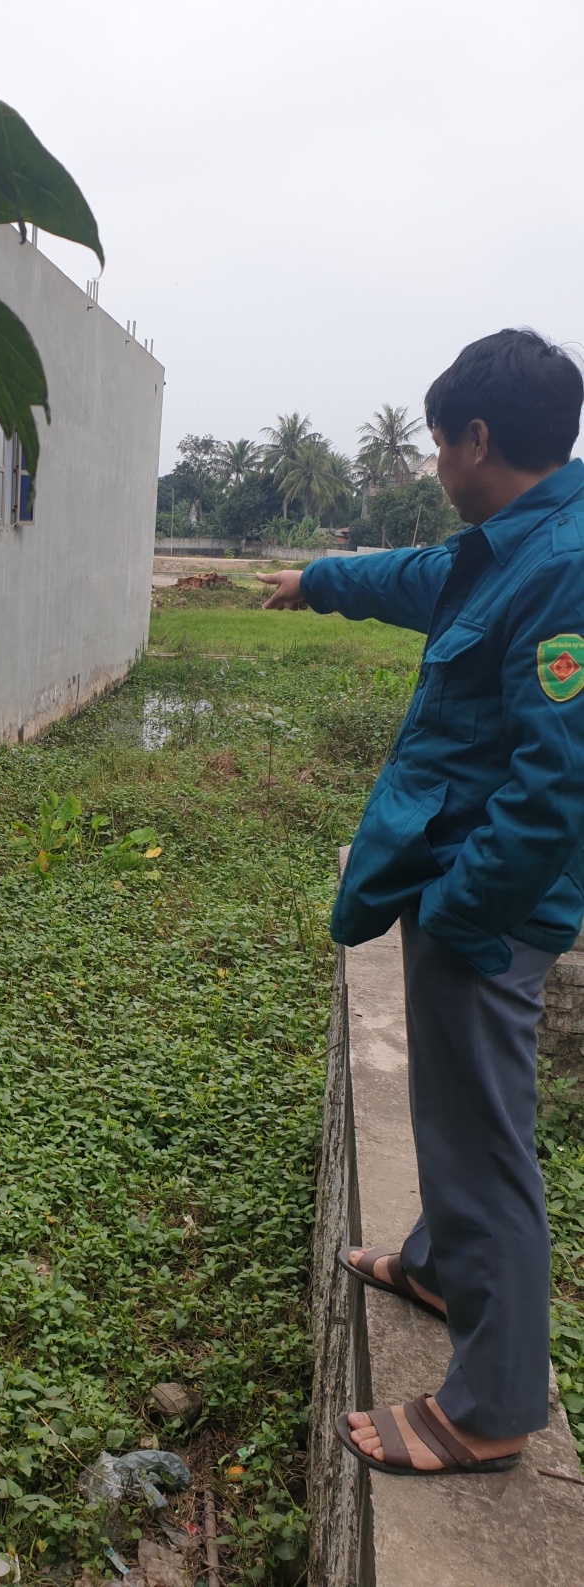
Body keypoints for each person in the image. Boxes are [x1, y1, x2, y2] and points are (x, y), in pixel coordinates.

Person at [259, 328, 584, 1477]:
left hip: (486, 910)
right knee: (451, 1113)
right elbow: (409, 578)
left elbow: (555, 787)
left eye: (439, 443)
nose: (436, 465)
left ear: (474, 439)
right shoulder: (505, 548)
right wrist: (313, 582)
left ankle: (489, 1411)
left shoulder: (563, 568)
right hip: (462, 891)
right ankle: (438, 1268)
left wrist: (458, 910)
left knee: (482, 1143)